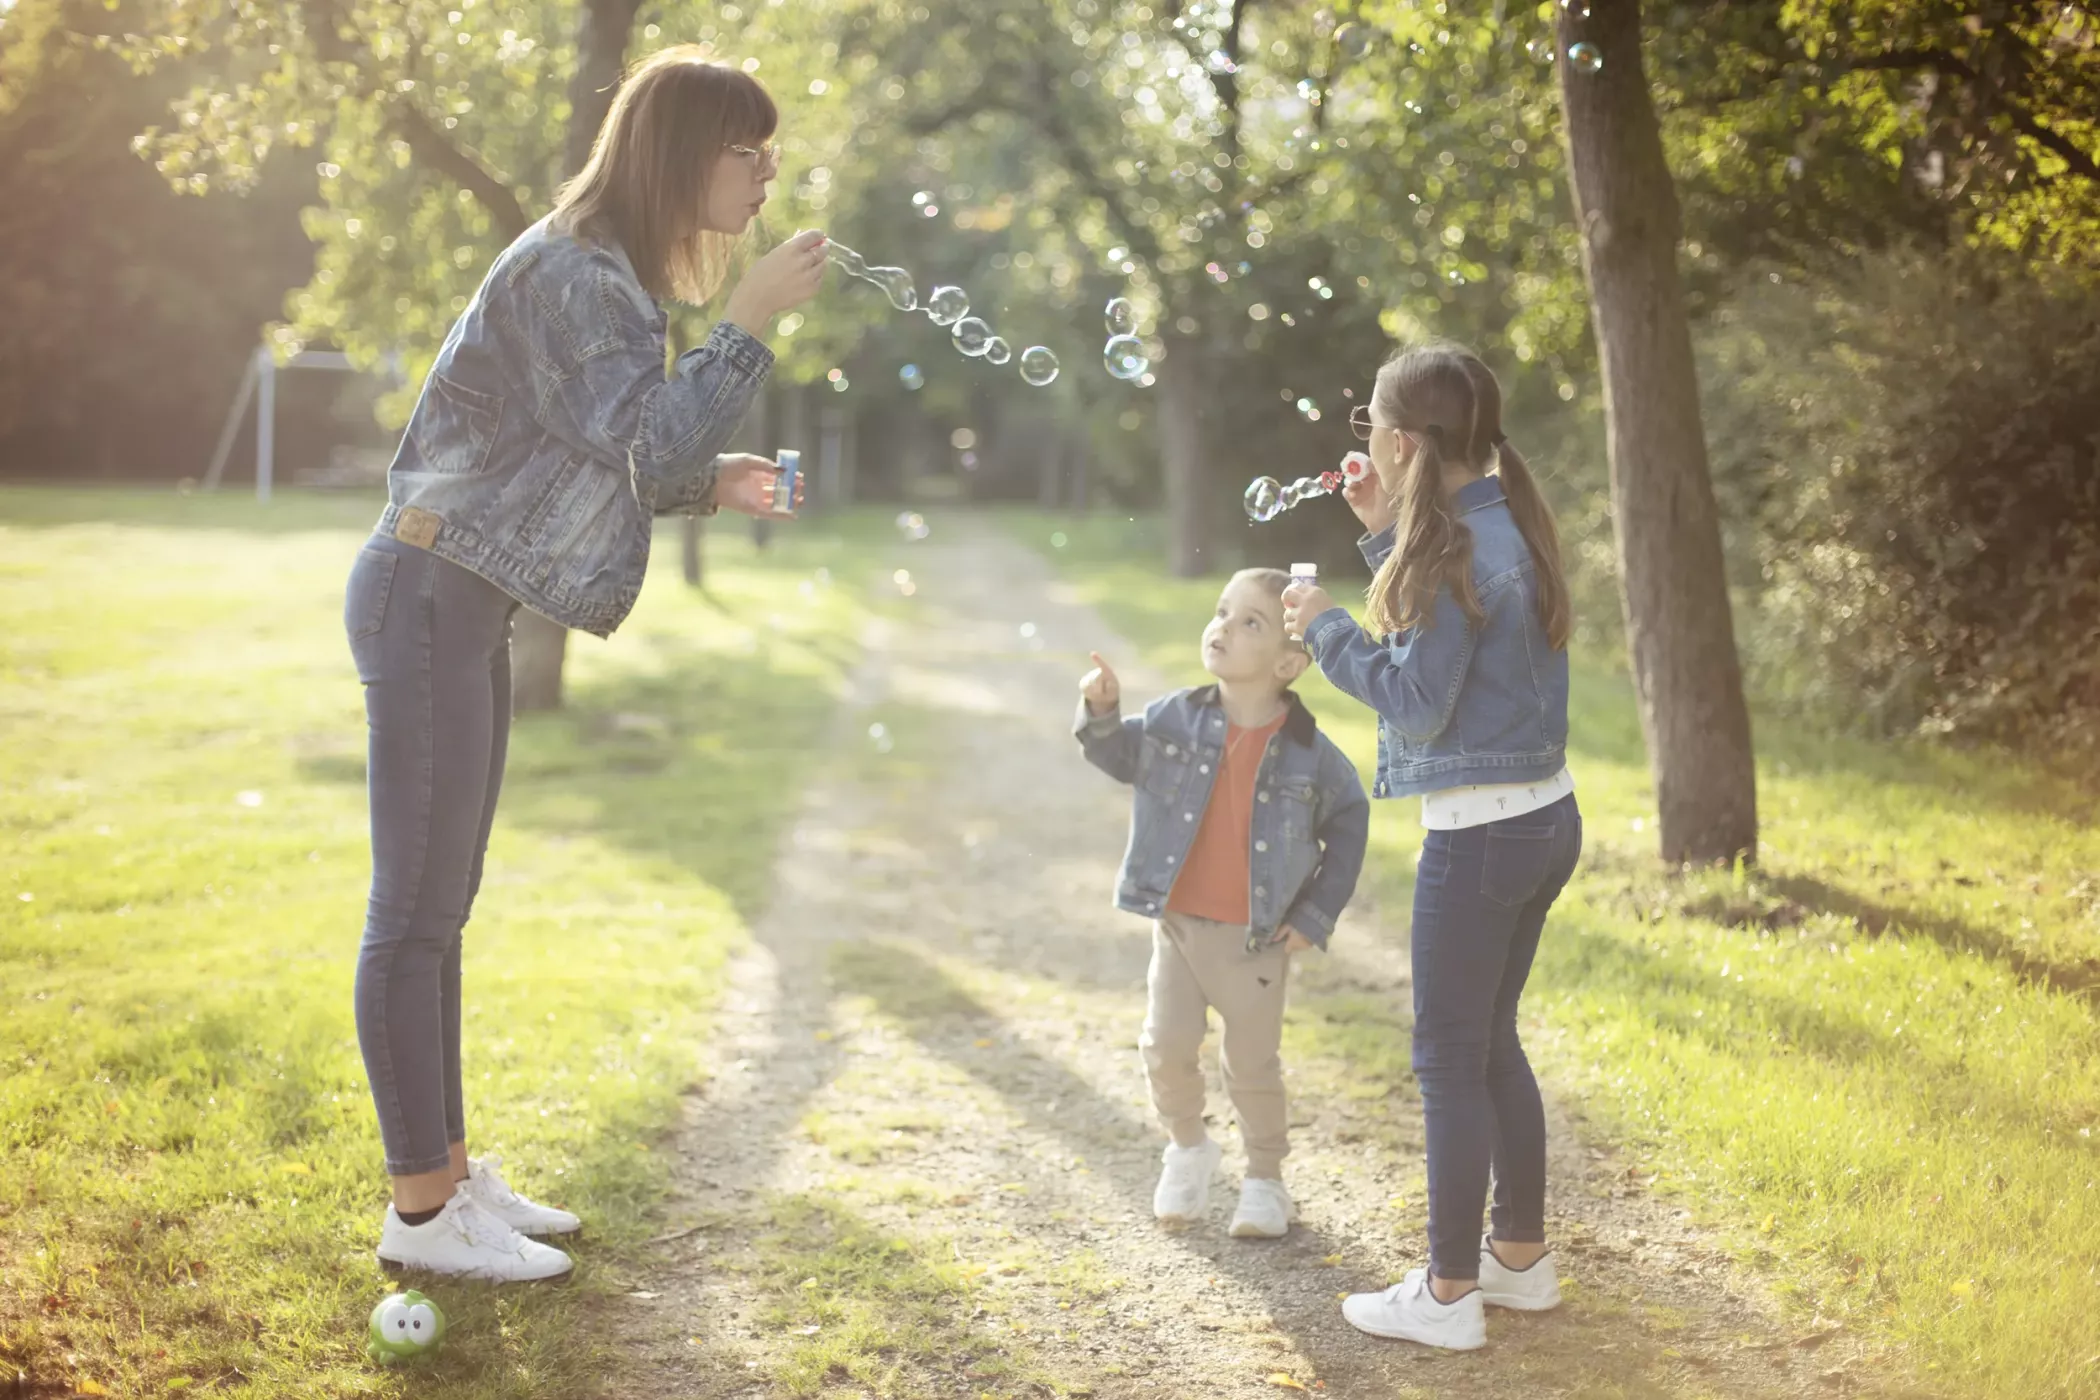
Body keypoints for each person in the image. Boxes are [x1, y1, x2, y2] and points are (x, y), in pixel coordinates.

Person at [342, 46, 825, 1282]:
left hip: (463, 600)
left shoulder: (607, 273)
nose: (767, 173)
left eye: (772, 152)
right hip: (431, 595)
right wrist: (751, 324)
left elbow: (638, 454)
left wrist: (713, 479)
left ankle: (446, 1172)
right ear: (679, 150)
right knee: (412, 913)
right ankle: (419, 1212)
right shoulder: (575, 274)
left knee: (440, 910)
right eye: (747, 150)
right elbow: (642, 432)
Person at [1283, 344, 1581, 1350]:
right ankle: (1520, 1261)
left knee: (1448, 1055)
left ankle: (1449, 1291)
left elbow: (1413, 698)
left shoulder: (1457, 551)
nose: (1364, 442)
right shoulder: (1505, 523)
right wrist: (1379, 534)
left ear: (1404, 443)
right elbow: (1449, 641)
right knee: (1492, 1041)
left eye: (1372, 427)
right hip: (1546, 817)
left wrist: (1325, 630)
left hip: (1483, 836)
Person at [1076, 570, 1369, 1238]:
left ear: (1289, 663)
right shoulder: (1177, 715)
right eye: (1220, 612)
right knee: (1166, 1047)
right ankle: (1187, 1147)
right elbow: (1121, 756)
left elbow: (1349, 822)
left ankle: (1266, 1179)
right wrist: (1101, 711)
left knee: (1253, 1064)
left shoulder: (1311, 756)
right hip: (1179, 925)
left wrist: (1315, 913)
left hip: (1255, 939)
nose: (1223, 628)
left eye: (1250, 623)